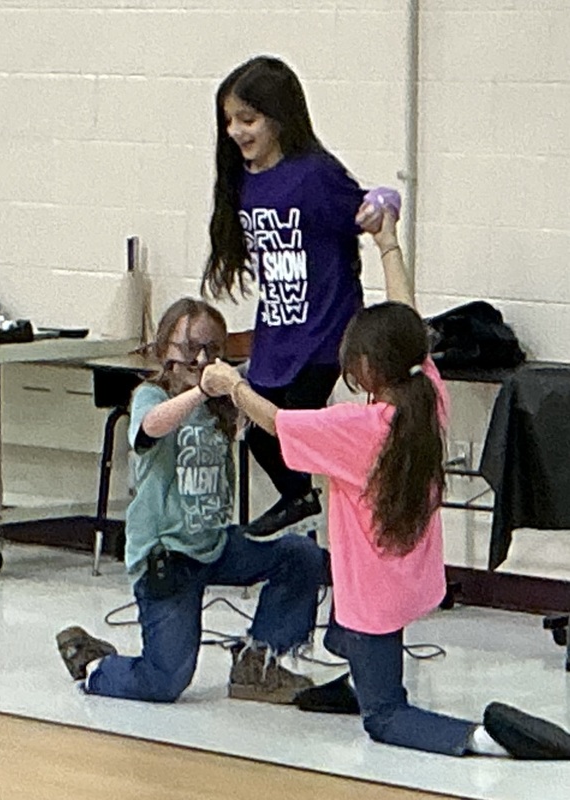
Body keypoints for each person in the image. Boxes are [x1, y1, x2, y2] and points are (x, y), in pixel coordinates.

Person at [200, 213, 570, 759]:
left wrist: (232, 384)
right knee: (341, 630)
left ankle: (483, 738)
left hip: (372, 593)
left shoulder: (359, 429)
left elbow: (277, 422)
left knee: (384, 715)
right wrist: (387, 243)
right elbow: (409, 321)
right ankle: (355, 679)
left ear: (368, 367)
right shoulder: (427, 397)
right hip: (408, 575)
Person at [55, 297, 324, 705]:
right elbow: (150, 427)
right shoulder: (150, 395)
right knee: (165, 682)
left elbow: (274, 420)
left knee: (299, 555)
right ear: (165, 348)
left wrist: (242, 387)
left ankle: (258, 663)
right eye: (189, 348)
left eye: (211, 349)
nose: (200, 359)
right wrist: (200, 391)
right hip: (167, 556)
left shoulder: (222, 404)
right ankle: (96, 665)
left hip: (214, 543)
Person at [201, 55, 400, 538]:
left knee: (294, 417)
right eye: (229, 121)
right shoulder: (244, 180)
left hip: (325, 329)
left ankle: (327, 502)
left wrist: (383, 204)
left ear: (278, 118)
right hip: (278, 328)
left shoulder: (314, 174)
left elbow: (366, 207)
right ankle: (301, 498)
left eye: (248, 120)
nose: (236, 131)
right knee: (258, 432)